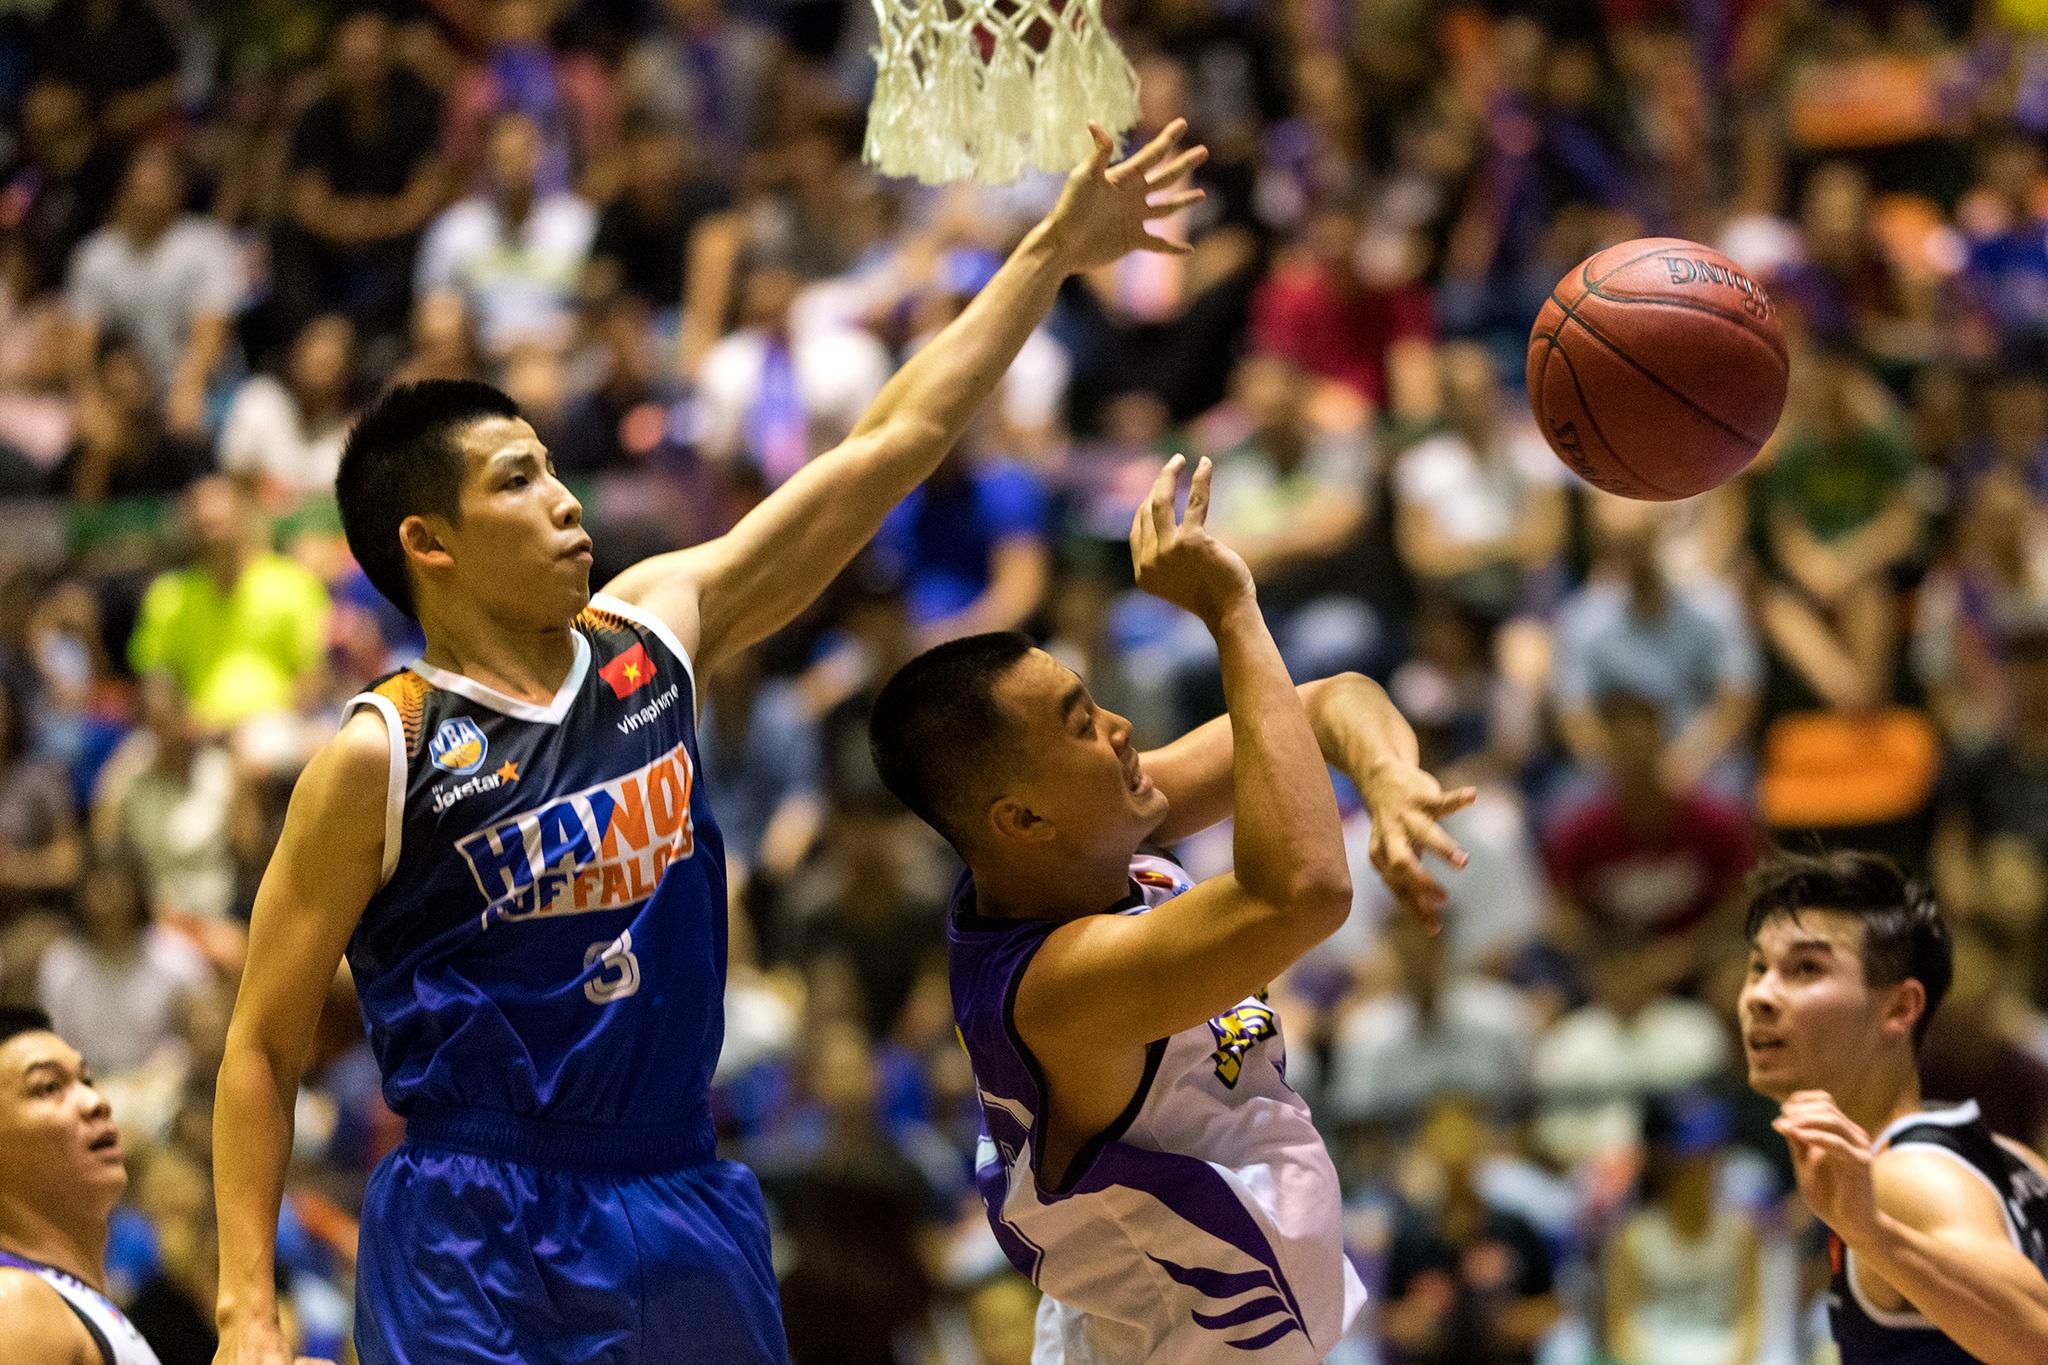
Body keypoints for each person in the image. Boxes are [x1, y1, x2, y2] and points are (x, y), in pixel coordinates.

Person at [211, 120, 1210, 1365]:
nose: (566, 499)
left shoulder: (652, 632)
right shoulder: (383, 753)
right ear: (430, 542)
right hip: (478, 1221)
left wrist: (1050, 249)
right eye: (518, 481)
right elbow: (260, 1044)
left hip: (678, 1184)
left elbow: (886, 446)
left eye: (553, 469)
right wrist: (247, 1297)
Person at [868, 454, 1474, 1361]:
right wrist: (1232, 611)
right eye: (1080, 722)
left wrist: (1385, 772)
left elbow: (1330, 702)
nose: (1118, 727)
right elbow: (1301, 890)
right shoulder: (1058, 988)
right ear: (1021, 816)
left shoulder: (1085, 842)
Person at [1739, 849, 2048, 1365]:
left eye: (1806, 968)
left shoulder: (1906, 1179)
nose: (1759, 995)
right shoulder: (2007, 1153)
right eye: (1758, 967)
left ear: (1900, 1007)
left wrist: (1876, 1236)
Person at [0, 1004, 162, 1364]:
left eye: (87, 1081)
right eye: (48, 1087)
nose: (97, 1102)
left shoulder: (61, 1299)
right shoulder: (14, 1303)